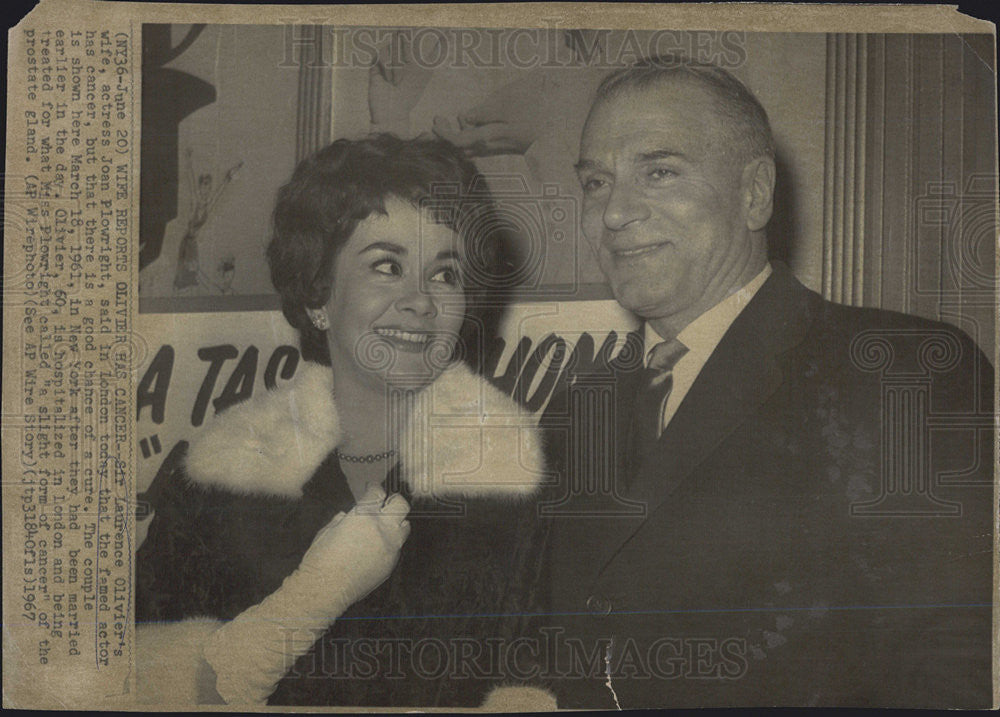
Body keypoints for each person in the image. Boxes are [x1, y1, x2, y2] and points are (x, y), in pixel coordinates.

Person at [537, 56, 994, 709]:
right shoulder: (576, 411)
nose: (614, 213)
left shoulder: (908, 371)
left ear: (755, 193)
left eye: (658, 172)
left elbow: (957, 668)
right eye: (595, 183)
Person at [135, 134, 555, 708]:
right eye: (388, 265)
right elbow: (119, 683)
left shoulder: (518, 488)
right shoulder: (210, 479)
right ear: (318, 295)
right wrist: (303, 606)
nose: (422, 302)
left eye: (446, 274)